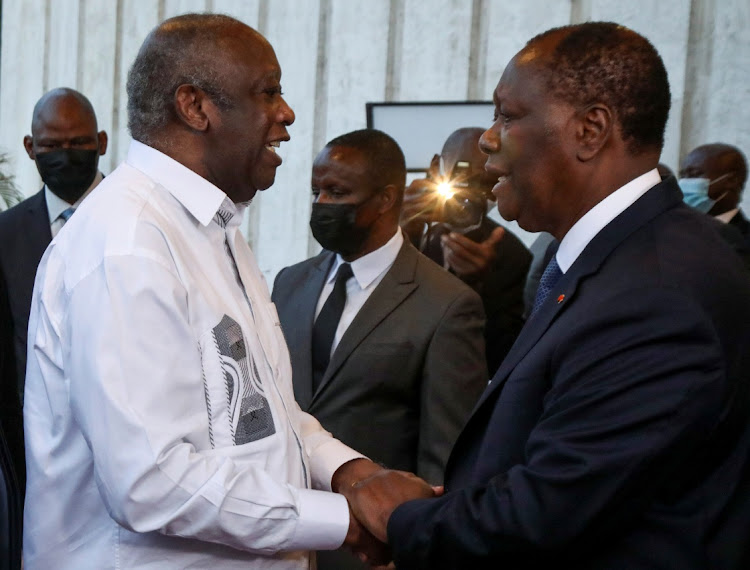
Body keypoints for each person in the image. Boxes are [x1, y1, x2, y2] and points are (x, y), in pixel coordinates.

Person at [23, 14, 434, 570]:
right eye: (269, 91)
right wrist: (342, 520)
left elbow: (264, 416)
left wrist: (352, 473)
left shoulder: (214, 229)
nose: (287, 114)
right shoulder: (125, 244)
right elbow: (149, 481)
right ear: (196, 107)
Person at [344, 22, 750, 569]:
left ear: (591, 130)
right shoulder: (611, 257)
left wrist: (398, 519)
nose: (487, 138)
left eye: (508, 116)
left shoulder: (656, 294)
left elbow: (548, 514)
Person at [272, 129, 487, 569]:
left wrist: (415, 544)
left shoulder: (446, 303)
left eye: (337, 192)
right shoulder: (289, 283)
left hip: (373, 551)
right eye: (316, 191)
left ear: (387, 199)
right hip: (282, 539)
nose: (321, 205)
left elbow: (444, 454)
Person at [0, 87, 107, 497]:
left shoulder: (142, 221)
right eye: (52, 145)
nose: (66, 154)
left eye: (79, 142)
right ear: (30, 147)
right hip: (35, 455)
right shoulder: (6, 234)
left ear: (101, 143)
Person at [401, 127, 531, 374]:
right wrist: (395, 235)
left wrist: (478, 286)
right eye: (459, 180)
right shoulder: (397, 225)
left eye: (483, 184)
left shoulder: (510, 253)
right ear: (435, 167)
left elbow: (502, 358)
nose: (468, 196)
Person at [679, 143, 749, 247]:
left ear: (732, 180)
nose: (684, 182)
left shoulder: (744, 240)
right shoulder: (673, 231)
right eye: (682, 176)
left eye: (695, 174)